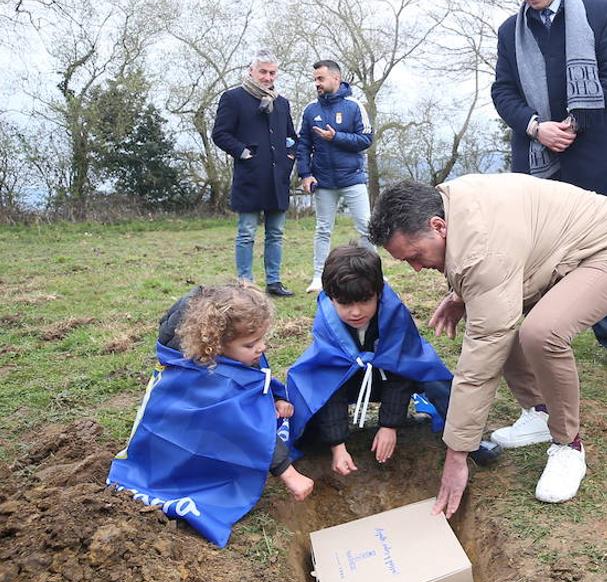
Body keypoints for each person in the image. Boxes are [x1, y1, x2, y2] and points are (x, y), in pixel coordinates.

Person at [368, 174, 607, 517]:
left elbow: (479, 364)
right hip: (555, 252)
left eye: (415, 255)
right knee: (494, 319)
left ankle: (567, 445)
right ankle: (539, 412)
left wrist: (457, 454)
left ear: (438, 226)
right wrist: (460, 295)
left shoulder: (481, 250)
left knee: (541, 333)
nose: (415, 268)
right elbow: (492, 269)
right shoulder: (449, 205)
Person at [491, 0, 607, 382]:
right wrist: (537, 127)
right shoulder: (509, 32)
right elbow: (503, 92)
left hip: (592, 151)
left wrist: (576, 124)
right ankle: (544, 338)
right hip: (539, 158)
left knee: (601, 249)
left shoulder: (596, 12)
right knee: (542, 252)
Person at [107, 282, 313, 547]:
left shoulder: (238, 351)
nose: (261, 348)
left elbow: (257, 374)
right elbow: (248, 430)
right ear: (217, 345)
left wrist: (278, 395)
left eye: (263, 338)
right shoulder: (212, 381)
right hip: (174, 448)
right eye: (251, 344)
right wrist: (289, 473)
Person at [284, 244, 475, 475]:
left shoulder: (394, 315)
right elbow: (328, 381)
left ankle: (465, 438)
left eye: (365, 300)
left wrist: (388, 425)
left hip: (387, 378)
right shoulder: (327, 324)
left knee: (437, 381)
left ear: (379, 293)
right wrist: (337, 446)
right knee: (311, 394)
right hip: (351, 382)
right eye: (345, 303)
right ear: (330, 297)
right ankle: (316, 441)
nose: (356, 312)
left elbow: (402, 368)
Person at [212, 50, 298, 297]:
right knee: (247, 232)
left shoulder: (282, 102)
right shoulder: (233, 98)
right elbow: (220, 134)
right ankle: (245, 284)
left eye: (272, 72)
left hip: (277, 179)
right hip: (250, 177)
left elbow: (291, 136)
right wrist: (243, 152)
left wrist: (289, 157)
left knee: (276, 234)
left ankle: (274, 282)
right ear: (251, 71)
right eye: (263, 71)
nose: (268, 77)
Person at [296, 59, 375, 294]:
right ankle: (319, 277)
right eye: (315, 80)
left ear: (335, 79)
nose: (316, 84)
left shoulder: (354, 106)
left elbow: (366, 140)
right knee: (322, 229)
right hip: (324, 183)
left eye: (320, 79)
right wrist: (305, 174)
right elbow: (303, 145)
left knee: (366, 228)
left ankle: (373, 275)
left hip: (353, 179)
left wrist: (336, 137)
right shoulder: (311, 110)